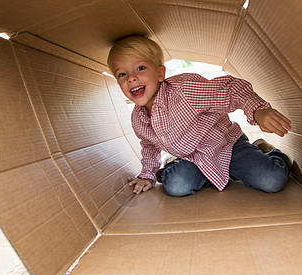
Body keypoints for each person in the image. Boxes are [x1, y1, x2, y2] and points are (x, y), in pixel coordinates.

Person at [107, 35, 292, 197]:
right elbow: (149, 147)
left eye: (140, 68)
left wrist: (258, 110)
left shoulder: (184, 91)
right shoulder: (138, 119)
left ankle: (266, 150)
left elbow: (229, 88)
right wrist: (147, 174)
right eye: (122, 74)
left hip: (228, 145)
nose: (131, 78)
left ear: (160, 73)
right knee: (176, 186)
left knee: (271, 180)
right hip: (193, 159)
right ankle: (193, 169)